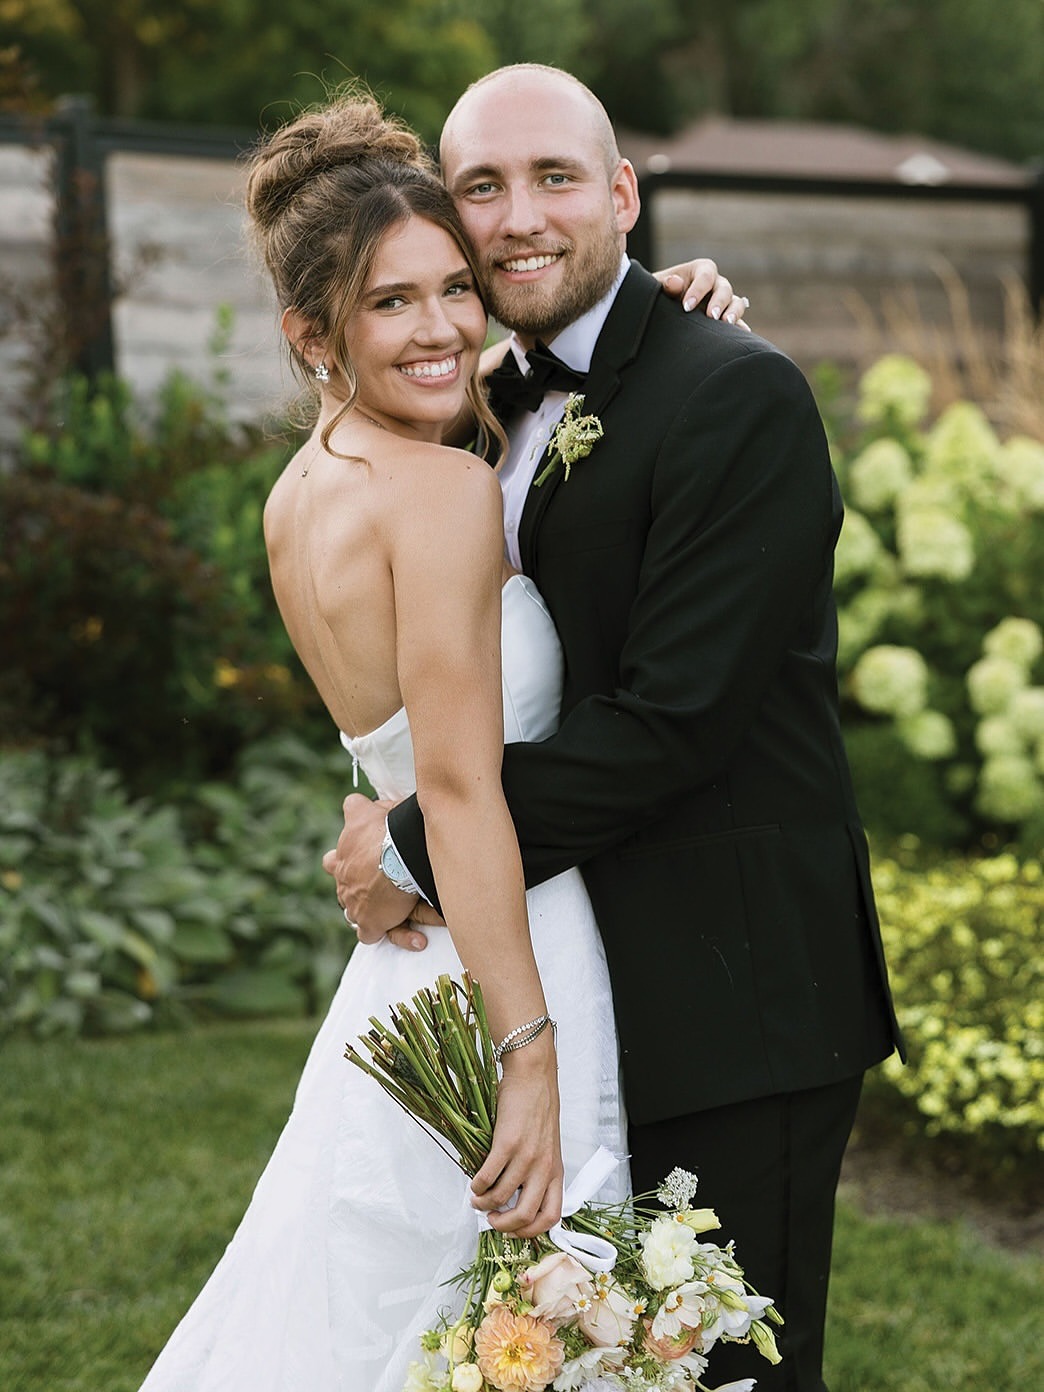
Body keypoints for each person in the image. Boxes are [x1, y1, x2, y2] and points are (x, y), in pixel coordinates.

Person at [135, 91, 748, 1392]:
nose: (445, 328)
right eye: (392, 303)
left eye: (453, 290)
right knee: (519, 1315)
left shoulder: (307, 487)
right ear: (317, 333)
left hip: (406, 979)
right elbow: (462, 793)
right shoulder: (445, 491)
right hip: (510, 956)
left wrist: (656, 310)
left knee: (414, 1324)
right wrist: (527, 1056)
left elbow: (401, 757)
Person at [331, 64, 905, 1392]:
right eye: (483, 187)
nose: (521, 216)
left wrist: (416, 847)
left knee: (727, 1371)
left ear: (624, 196)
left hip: (735, 989)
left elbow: (671, 725)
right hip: (573, 969)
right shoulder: (476, 403)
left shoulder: (735, 395)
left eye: (555, 179)